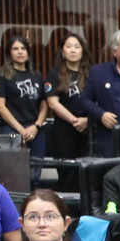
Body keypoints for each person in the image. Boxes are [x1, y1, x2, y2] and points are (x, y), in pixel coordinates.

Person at [0, 34, 49, 155]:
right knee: (14, 170)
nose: (20, 52)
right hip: (11, 129)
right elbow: (0, 106)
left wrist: (36, 126)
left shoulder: (36, 75)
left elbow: (44, 105)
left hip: (35, 129)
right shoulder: (1, 75)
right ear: (9, 53)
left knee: (36, 169)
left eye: (23, 48)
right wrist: (20, 130)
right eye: (15, 49)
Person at [41, 33, 93, 161]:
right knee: (67, 172)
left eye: (77, 46)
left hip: (89, 128)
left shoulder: (93, 73)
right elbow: (53, 103)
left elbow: (100, 100)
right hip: (64, 130)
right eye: (68, 46)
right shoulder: (54, 74)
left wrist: (87, 121)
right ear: (62, 51)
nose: (73, 50)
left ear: (83, 50)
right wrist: (75, 121)